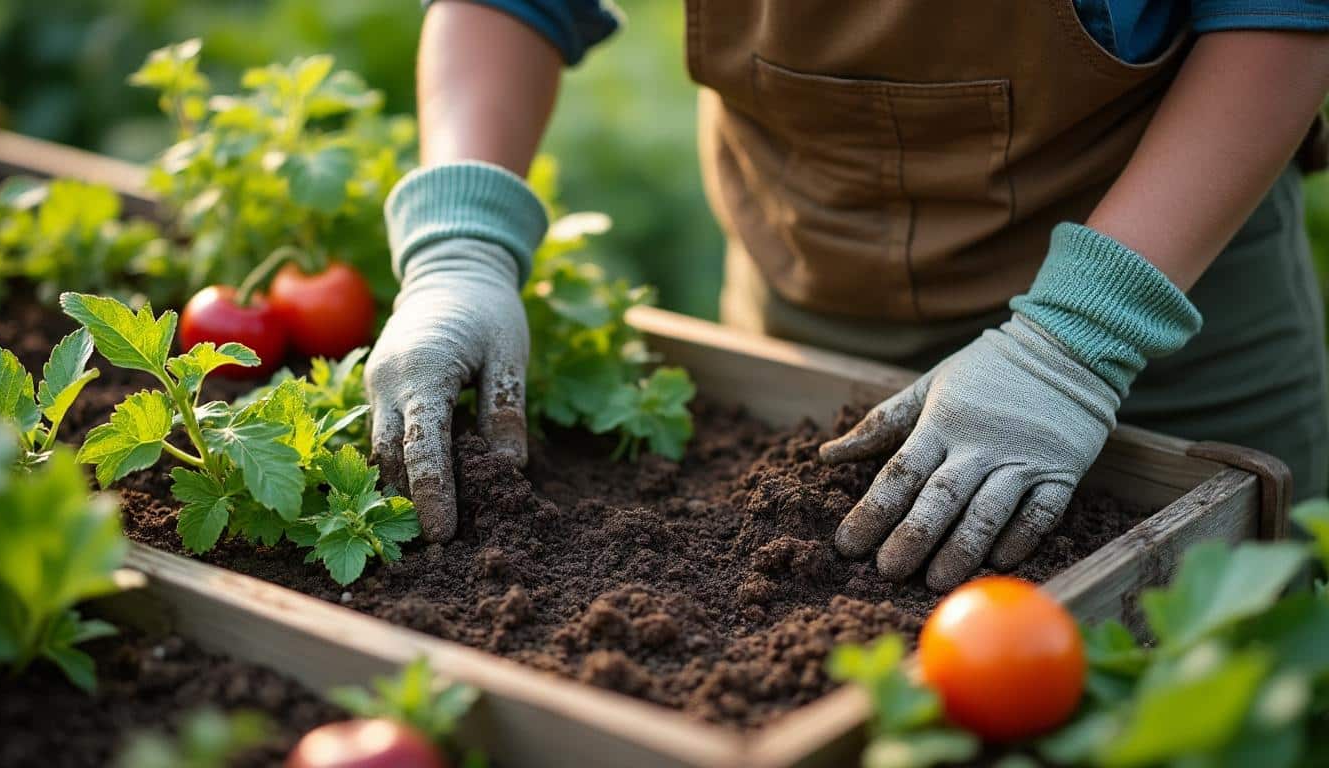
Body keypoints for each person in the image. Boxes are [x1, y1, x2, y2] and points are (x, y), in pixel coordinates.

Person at [368, 0, 1329, 591]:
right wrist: (462, 244)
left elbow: (1279, 15)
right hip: (809, 302)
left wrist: (1078, 339)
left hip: (1160, 303)